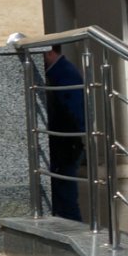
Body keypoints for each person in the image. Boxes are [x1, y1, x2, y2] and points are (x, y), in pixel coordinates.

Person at [42, 43, 85, 221]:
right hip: (65, 143)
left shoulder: (63, 74)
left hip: (66, 144)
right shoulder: (60, 71)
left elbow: (72, 113)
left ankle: (75, 229)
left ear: (49, 52)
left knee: (66, 197)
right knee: (62, 195)